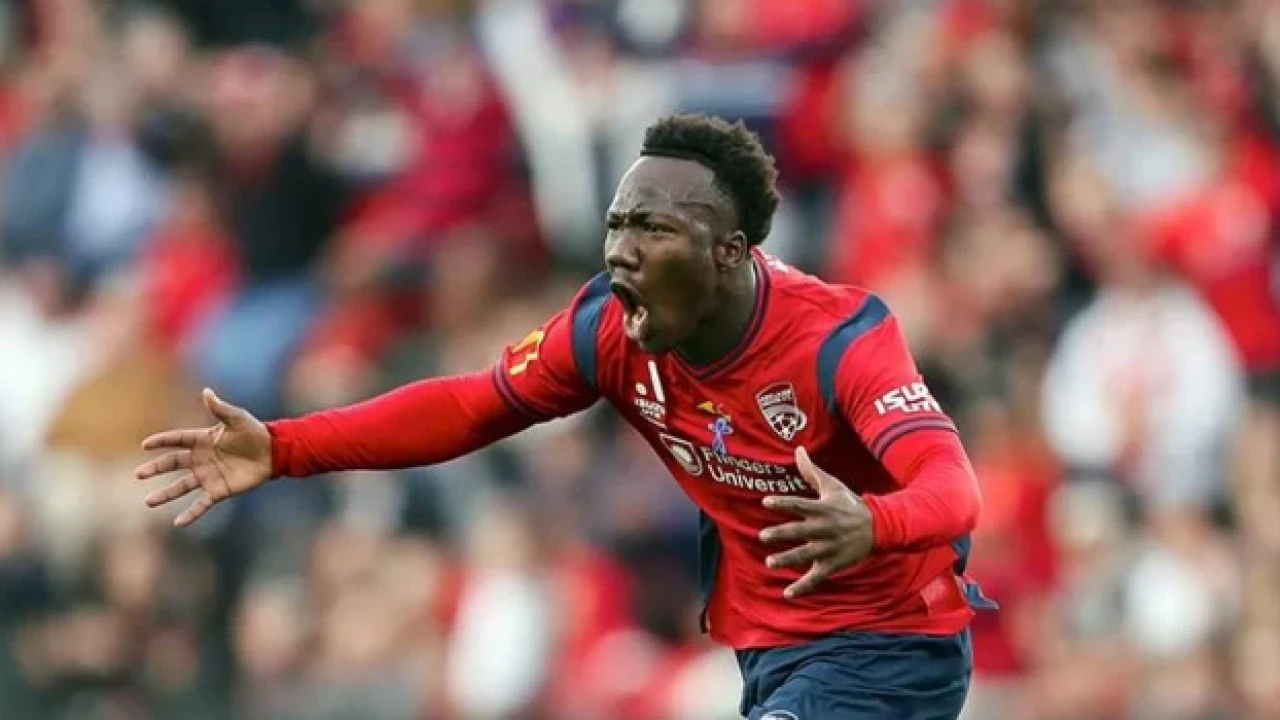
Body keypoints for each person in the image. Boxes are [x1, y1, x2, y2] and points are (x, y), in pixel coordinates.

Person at [136, 114, 991, 719]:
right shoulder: (611, 329)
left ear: (729, 251)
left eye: (653, 230)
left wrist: (871, 524)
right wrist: (285, 447)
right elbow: (468, 406)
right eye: (618, 226)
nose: (621, 251)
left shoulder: (841, 340)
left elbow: (954, 490)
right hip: (774, 650)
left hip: (889, 642)